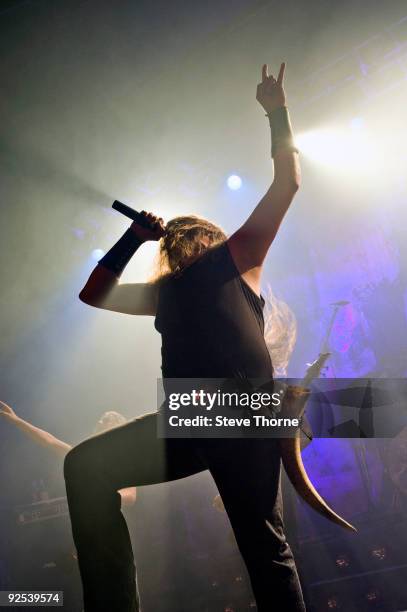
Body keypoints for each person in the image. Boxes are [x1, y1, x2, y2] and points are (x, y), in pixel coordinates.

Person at [64, 62, 306, 611]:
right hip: (192, 414)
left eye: (191, 231)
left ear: (208, 235)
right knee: (83, 467)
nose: (183, 239)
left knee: (265, 548)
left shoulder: (235, 258)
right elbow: (93, 294)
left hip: (243, 409)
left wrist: (277, 112)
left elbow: (287, 181)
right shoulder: (165, 292)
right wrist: (131, 236)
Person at [0, 400, 137, 507]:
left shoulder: (121, 462)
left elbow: (130, 496)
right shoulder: (85, 456)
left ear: (115, 431)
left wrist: (102, 496)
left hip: (109, 526)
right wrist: (17, 420)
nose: (100, 422)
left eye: (107, 420)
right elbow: (50, 441)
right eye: (101, 420)